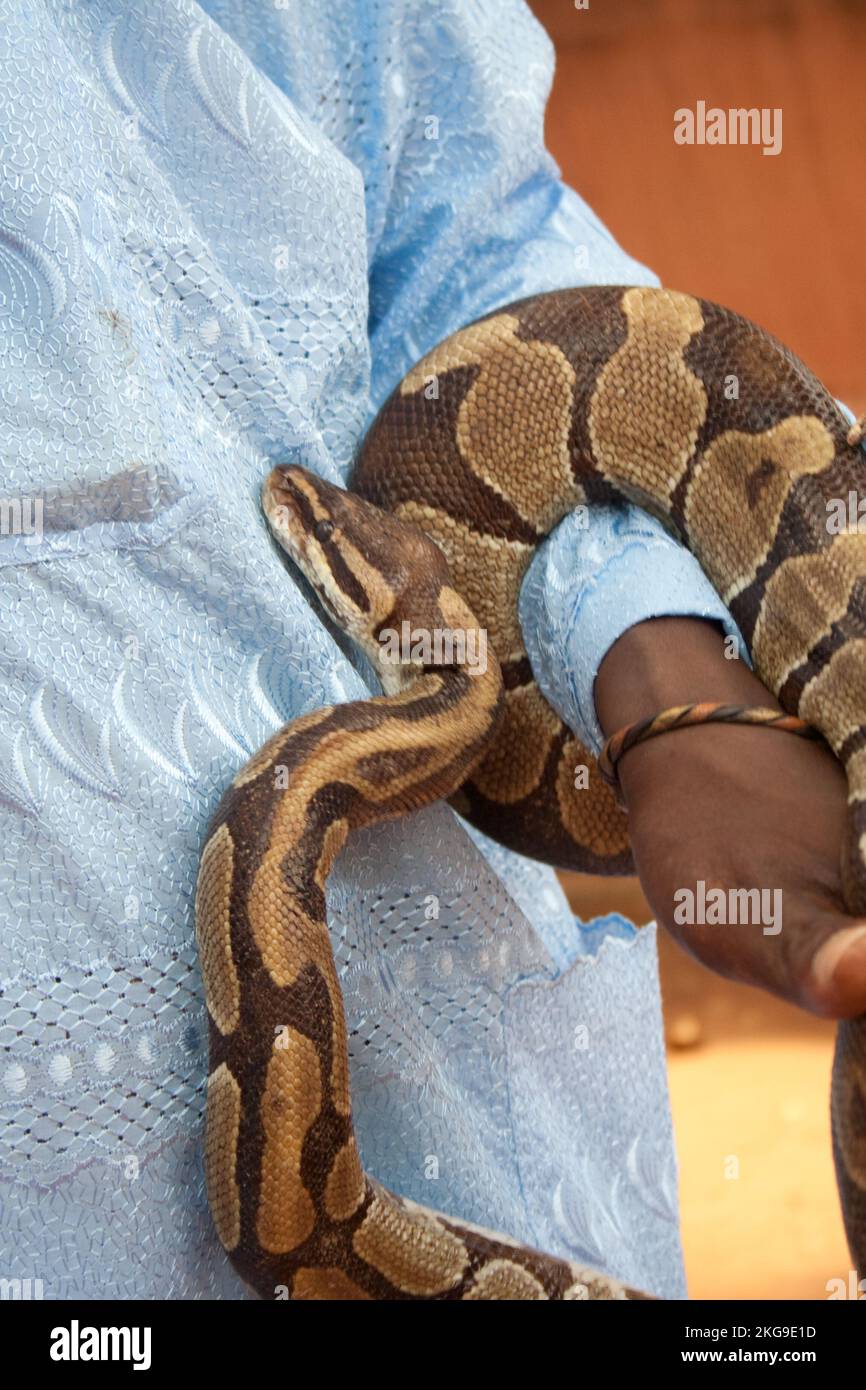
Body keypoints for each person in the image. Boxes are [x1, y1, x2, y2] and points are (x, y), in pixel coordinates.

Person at [0, 0, 860, 1300]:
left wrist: (667, 673)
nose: (297, 506)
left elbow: (475, 251)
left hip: (466, 1091)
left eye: (336, 540)